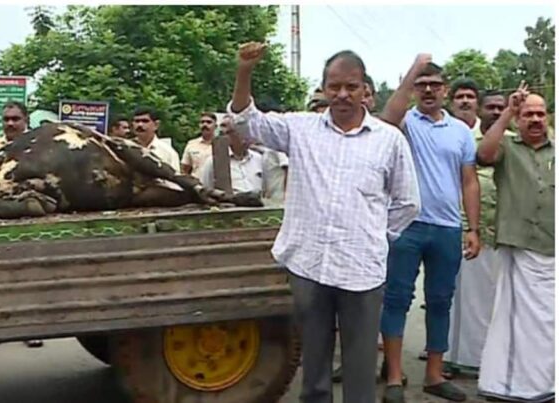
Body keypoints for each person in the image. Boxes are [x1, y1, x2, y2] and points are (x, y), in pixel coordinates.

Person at [228, 42, 420, 403]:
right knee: (313, 367)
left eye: (351, 86)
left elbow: (407, 202)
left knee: (360, 370)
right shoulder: (300, 130)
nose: (343, 94)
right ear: (323, 89)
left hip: (361, 271)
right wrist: (244, 71)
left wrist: (374, 237)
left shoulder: (389, 141)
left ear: (366, 90)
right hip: (309, 265)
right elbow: (245, 120)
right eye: (334, 87)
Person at [379, 55, 481, 403]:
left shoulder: (460, 132)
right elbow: (387, 116)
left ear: (445, 90)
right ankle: (394, 377)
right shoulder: (404, 123)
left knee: (440, 301)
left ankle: (435, 375)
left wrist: (473, 228)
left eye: (434, 85)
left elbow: (469, 181)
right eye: (421, 85)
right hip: (406, 226)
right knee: (396, 299)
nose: (427, 91)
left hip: (447, 228)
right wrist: (411, 72)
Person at [476, 86, 554, 403]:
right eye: (528, 114)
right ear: (518, 120)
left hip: (553, 248)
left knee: (550, 323)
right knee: (516, 324)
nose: (535, 119)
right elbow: (483, 155)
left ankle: (546, 383)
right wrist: (507, 111)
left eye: (540, 113)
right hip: (519, 248)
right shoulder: (507, 147)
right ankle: (511, 386)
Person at [444, 89, 516, 377]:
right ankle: (460, 359)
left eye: (502, 107)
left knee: (500, 302)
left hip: (506, 233)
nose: (497, 112)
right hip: (469, 231)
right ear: (481, 111)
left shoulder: (514, 143)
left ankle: (497, 361)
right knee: (464, 301)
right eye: (492, 107)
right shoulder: (466, 143)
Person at [199, 115, 264, 194]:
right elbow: (206, 189)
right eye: (240, 133)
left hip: (260, 205)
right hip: (231, 205)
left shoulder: (258, 159)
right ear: (228, 135)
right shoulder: (214, 162)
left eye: (247, 132)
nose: (246, 137)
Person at [132, 106, 180, 173]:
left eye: (145, 121)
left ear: (156, 125)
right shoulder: (125, 147)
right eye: (137, 121)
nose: (140, 125)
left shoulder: (168, 152)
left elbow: (174, 178)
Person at [181, 112, 216, 177]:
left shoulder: (222, 145)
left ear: (215, 126)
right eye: (202, 122)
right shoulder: (191, 144)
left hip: (215, 185)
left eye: (209, 122)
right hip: (196, 184)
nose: (205, 125)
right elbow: (184, 169)